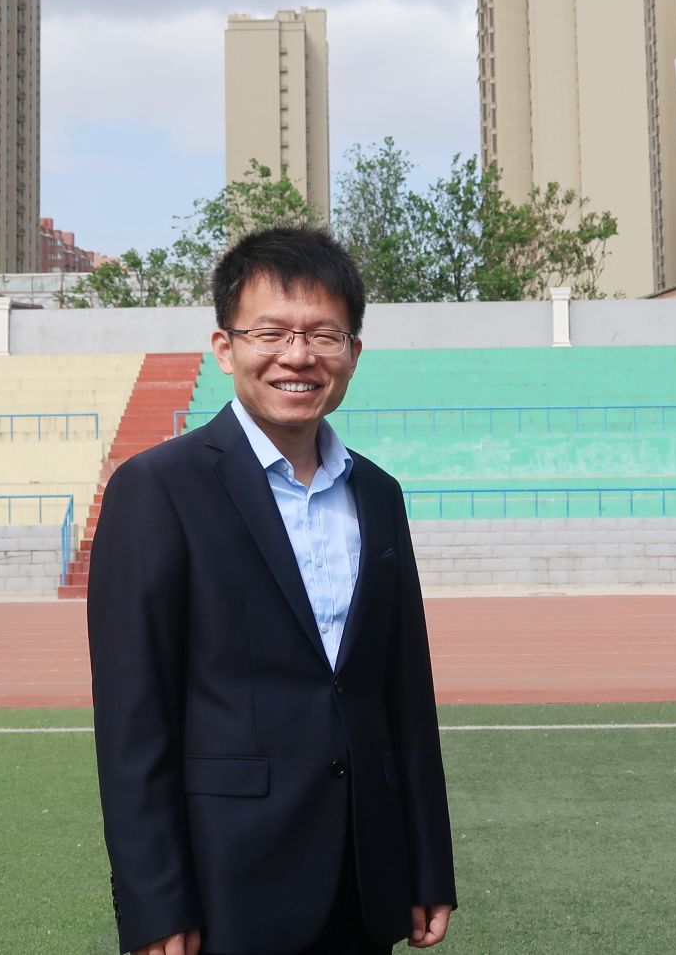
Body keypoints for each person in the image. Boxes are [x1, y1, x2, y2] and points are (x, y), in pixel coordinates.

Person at [88, 226, 458, 955]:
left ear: (353, 351)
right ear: (226, 347)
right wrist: (155, 901)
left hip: (366, 875)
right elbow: (134, 719)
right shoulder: (157, 489)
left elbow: (405, 693)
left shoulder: (378, 493)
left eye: (324, 334)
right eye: (272, 333)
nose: (298, 355)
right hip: (227, 882)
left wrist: (425, 860)